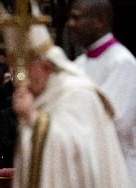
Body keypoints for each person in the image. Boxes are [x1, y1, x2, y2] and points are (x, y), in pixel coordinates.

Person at [0, 5, 131, 185]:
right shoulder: (76, 68)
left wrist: (34, 119)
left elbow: (83, 148)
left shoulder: (77, 92)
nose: (21, 80)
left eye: (26, 69)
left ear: (47, 65)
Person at [68, 0, 136, 185]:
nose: (70, 23)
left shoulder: (122, 63)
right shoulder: (78, 65)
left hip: (116, 171)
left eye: (76, 17)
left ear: (99, 20)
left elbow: (114, 121)